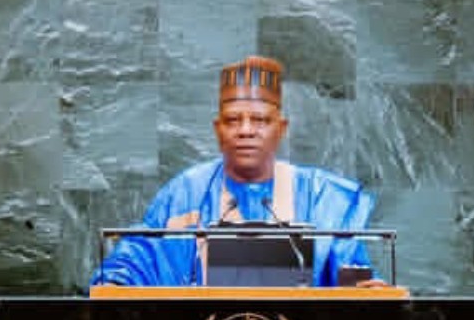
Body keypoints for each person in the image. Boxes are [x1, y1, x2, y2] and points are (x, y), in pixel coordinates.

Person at [92, 56, 376, 287]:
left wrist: (366, 291)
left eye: (260, 120)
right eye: (233, 120)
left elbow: (353, 276)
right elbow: (138, 257)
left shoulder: (321, 197)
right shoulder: (187, 192)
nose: (246, 131)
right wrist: (117, 281)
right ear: (218, 130)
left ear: (281, 129)